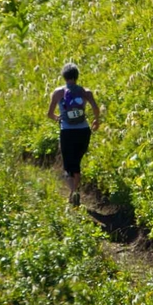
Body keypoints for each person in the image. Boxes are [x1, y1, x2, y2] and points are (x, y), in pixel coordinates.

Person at [47, 62, 100, 206]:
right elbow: (96, 109)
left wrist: (59, 118)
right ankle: (74, 192)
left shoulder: (58, 92)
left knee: (69, 165)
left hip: (67, 131)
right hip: (84, 131)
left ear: (64, 77)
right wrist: (96, 121)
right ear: (77, 76)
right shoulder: (85, 92)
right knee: (76, 162)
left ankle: (73, 192)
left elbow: (49, 114)